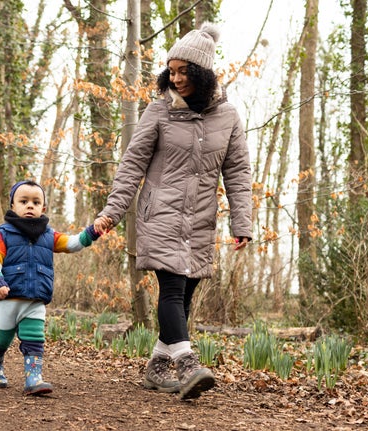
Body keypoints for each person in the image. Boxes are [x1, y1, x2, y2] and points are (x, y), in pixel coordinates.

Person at [94, 22, 252, 400]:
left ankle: (156, 365)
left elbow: (238, 172)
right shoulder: (159, 111)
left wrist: (241, 221)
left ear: (202, 72)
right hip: (160, 214)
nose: (176, 78)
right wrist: (111, 213)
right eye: (172, 71)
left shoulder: (227, 117)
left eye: (184, 71)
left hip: (200, 220)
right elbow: (132, 165)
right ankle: (187, 363)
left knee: (184, 297)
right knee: (172, 288)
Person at [0, 180, 102, 396]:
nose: (30, 205)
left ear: (43, 208)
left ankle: (33, 378)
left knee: (35, 339)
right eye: (24, 201)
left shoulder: (49, 236)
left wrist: (92, 232)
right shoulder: (4, 234)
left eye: (36, 202)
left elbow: (73, 243)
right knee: (0, 339)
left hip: (35, 300)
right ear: (12, 206)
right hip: (7, 298)